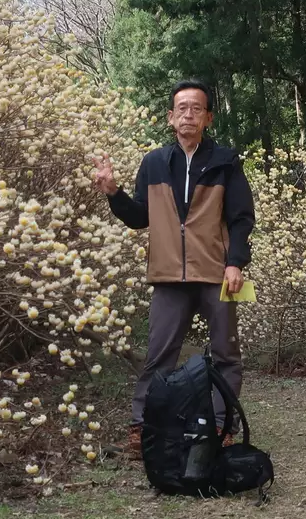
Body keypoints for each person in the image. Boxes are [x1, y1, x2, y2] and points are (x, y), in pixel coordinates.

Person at [92, 80, 255, 456]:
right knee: (159, 356)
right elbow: (139, 218)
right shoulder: (153, 163)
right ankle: (142, 429)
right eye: (182, 108)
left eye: (196, 108)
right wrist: (114, 193)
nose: (188, 115)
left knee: (227, 355)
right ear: (170, 117)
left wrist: (236, 263)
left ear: (208, 117)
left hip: (216, 273)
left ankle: (220, 427)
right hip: (168, 276)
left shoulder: (225, 161)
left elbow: (242, 218)